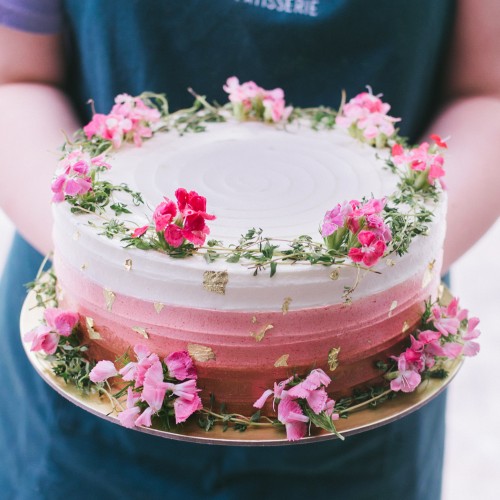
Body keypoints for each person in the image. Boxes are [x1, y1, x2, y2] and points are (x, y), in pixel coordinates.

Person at [0, 1, 499, 498]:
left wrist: (384, 273)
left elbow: (489, 89)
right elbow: (15, 74)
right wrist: (104, 256)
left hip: (360, 403)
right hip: (90, 403)